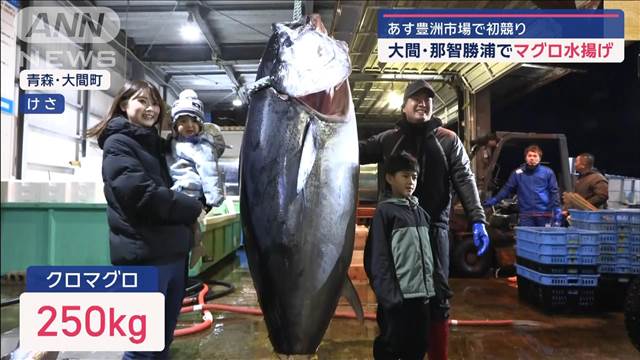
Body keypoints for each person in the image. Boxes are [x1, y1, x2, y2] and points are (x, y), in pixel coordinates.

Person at [360, 79, 490, 360]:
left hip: (435, 231)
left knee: (438, 299)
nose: (422, 103)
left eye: (428, 99)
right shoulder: (388, 139)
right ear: (404, 105)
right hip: (396, 232)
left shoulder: (448, 140)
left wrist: (477, 219)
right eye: (415, 98)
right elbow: (352, 152)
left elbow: (465, 179)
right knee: (392, 298)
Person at [87, 80, 202, 359]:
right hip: (144, 260)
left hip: (173, 256)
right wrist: (193, 208)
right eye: (142, 101)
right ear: (125, 105)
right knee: (141, 349)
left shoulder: (158, 146)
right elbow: (141, 195)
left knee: (162, 343)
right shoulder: (118, 144)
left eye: (154, 103)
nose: (150, 108)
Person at [364, 152, 436, 360]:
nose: (411, 182)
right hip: (399, 299)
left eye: (414, 177)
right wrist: (390, 298)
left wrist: (433, 288)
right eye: (405, 176)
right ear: (389, 178)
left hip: (421, 298)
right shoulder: (385, 213)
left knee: (418, 346)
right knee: (391, 346)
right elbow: (378, 259)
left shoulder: (421, 213)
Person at [166, 89, 226, 267]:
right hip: (179, 190)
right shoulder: (175, 143)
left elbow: (209, 171)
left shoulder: (202, 147)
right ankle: (196, 246)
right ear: (175, 125)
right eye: (183, 121)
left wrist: (212, 199)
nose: (189, 125)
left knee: (190, 224)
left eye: (194, 120)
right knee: (189, 226)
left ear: (201, 124)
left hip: (190, 192)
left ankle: (197, 246)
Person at [483, 145, 562, 227]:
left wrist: (557, 210)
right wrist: (495, 200)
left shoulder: (548, 173)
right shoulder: (517, 173)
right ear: (525, 158)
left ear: (539, 158)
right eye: (530, 155)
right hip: (526, 215)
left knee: (544, 238)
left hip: (544, 215)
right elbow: (507, 189)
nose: (532, 158)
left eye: (535, 156)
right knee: (527, 238)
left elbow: (554, 192)